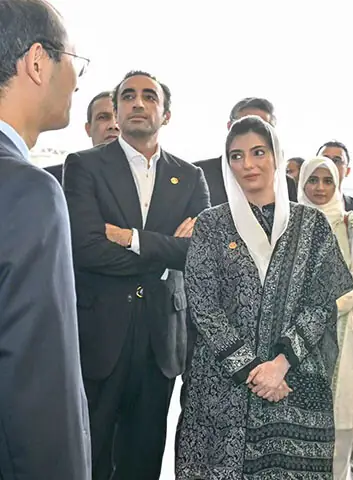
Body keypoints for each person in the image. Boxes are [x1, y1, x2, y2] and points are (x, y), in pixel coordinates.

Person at [176, 116, 353, 479]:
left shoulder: (312, 224)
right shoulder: (212, 224)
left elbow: (321, 303)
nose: (248, 164)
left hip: (294, 380)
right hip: (223, 386)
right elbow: (204, 307)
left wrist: (281, 364)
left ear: (277, 156)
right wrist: (254, 372)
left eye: (258, 152)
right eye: (237, 156)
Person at [63, 70, 210, 479]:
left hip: (159, 340)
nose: (138, 103)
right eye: (128, 96)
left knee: (143, 461)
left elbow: (199, 255)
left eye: (149, 96)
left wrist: (131, 238)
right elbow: (86, 248)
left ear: (166, 114)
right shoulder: (84, 166)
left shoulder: (190, 176)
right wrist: (164, 252)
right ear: (117, 109)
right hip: (100, 335)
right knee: (90, 458)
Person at [0, 0, 91, 478]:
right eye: (74, 61)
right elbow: (39, 390)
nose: (77, 79)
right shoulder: (29, 192)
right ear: (37, 62)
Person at [297, 156, 353, 480]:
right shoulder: (288, 221)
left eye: (327, 181)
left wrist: (329, 307)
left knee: (340, 415)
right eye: (312, 180)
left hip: (341, 327)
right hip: (298, 331)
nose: (320, 188)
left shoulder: (348, 221)